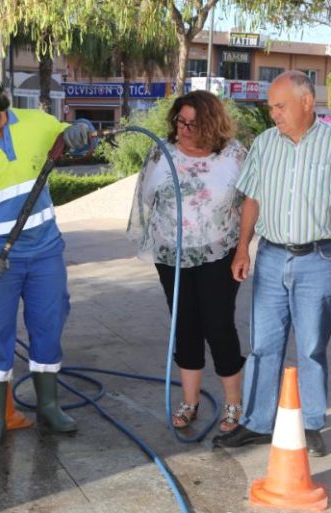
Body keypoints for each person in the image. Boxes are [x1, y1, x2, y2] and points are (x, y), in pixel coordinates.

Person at [212, 71, 331, 455]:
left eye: (280, 106)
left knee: (312, 346)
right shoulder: (266, 144)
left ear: (307, 102)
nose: (274, 115)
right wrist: (242, 249)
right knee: (263, 346)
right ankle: (256, 422)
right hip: (270, 257)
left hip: (321, 258)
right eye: (271, 107)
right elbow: (251, 199)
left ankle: (312, 423)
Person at [0, 67, 91, 450]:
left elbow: (69, 137)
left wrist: (82, 128)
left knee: (49, 323)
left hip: (45, 254)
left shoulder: (36, 124)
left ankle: (49, 405)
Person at [127, 90, 248, 432]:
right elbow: (146, 196)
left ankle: (233, 405)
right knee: (185, 326)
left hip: (217, 252)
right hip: (172, 255)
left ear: (211, 124)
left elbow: (250, 201)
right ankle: (190, 401)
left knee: (219, 326)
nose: (184, 129)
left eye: (193, 123)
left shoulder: (234, 154)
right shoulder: (161, 153)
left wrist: (243, 248)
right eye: (180, 120)